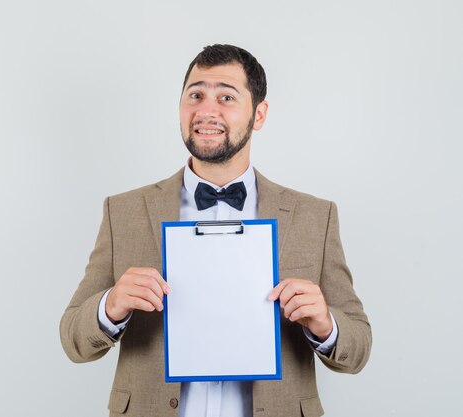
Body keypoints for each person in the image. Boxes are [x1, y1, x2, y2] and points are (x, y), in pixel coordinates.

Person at [60, 44, 371, 417]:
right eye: (196, 95)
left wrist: (325, 324)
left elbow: (359, 348)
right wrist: (110, 306)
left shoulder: (314, 217)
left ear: (259, 114)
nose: (207, 110)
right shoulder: (123, 211)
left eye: (226, 96)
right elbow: (73, 341)